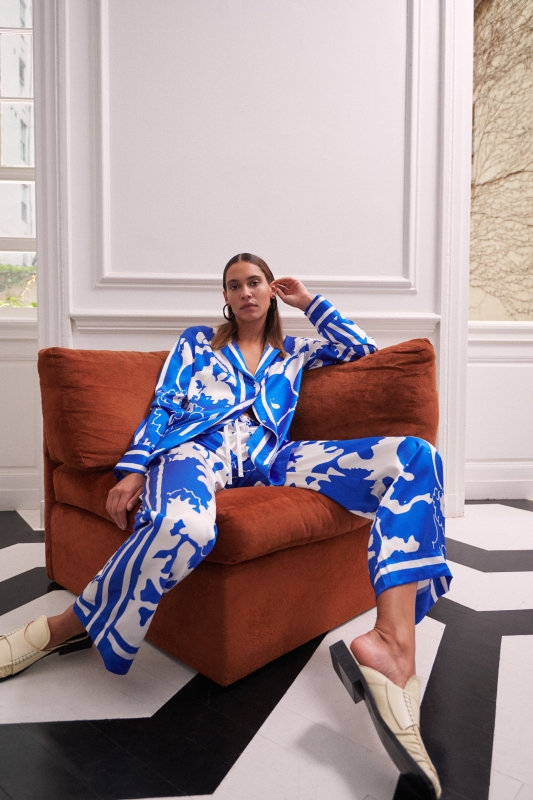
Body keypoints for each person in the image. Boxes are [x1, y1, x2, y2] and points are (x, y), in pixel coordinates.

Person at [0, 253, 450, 798]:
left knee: (416, 456)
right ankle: (62, 628)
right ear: (226, 298)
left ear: (270, 290)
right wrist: (135, 467)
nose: (245, 292)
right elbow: (166, 403)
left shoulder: (294, 351)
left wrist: (309, 302)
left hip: (269, 459)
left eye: (255, 282)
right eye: (234, 286)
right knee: (185, 528)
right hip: (197, 452)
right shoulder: (198, 343)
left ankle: (392, 644)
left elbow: (361, 350)